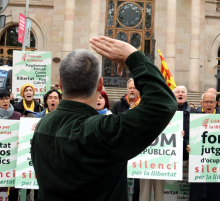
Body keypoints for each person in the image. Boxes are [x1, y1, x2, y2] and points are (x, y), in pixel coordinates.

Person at [31, 36, 177, 201]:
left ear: (60, 84)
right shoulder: (102, 131)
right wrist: (133, 56)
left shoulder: (42, 125)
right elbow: (162, 103)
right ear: (100, 85)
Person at [189, 92, 220, 201]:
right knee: (196, 195)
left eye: (211, 102)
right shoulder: (193, 119)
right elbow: (187, 136)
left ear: (216, 103)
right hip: (198, 164)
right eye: (206, 102)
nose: (209, 105)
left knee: (216, 196)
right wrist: (188, 145)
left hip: (218, 164)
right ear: (201, 103)